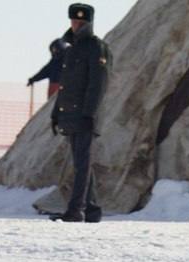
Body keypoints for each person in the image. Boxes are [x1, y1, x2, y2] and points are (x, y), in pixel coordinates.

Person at [50, 3, 111, 223]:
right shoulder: (72, 48)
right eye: (74, 21)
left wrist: (90, 114)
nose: (76, 25)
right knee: (80, 163)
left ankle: (75, 210)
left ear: (89, 23)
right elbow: (66, 85)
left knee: (82, 165)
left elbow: (98, 84)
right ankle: (92, 210)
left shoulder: (96, 48)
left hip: (84, 115)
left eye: (81, 22)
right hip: (70, 113)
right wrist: (56, 113)